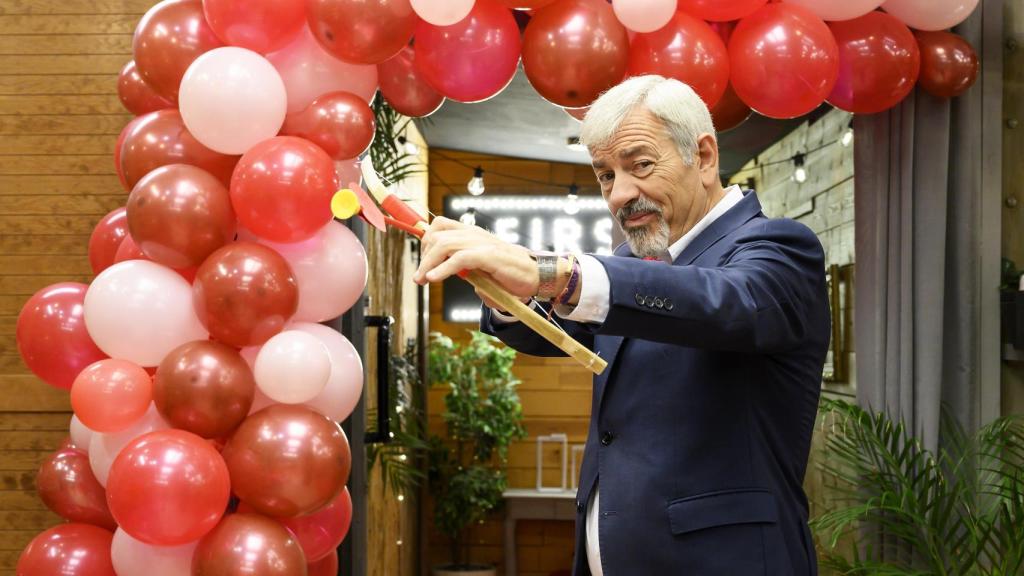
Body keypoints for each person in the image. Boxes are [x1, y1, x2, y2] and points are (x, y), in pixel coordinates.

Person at [413, 75, 830, 575]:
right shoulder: (632, 264)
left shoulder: (780, 249)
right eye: (606, 175)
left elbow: (724, 302)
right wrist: (506, 286)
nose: (619, 195)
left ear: (703, 157)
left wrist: (549, 271)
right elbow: (545, 328)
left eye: (640, 165)